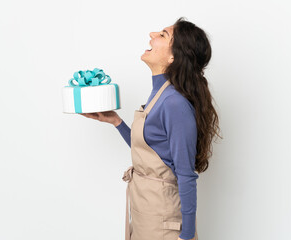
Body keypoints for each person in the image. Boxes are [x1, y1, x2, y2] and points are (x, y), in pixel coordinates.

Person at [80, 17, 222, 240]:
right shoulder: (160, 94)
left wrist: (186, 236)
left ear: (174, 56)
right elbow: (151, 151)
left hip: (163, 221)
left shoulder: (174, 103)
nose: (152, 35)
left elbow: (185, 174)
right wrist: (116, 121)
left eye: (163, 35)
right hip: (145, 211)